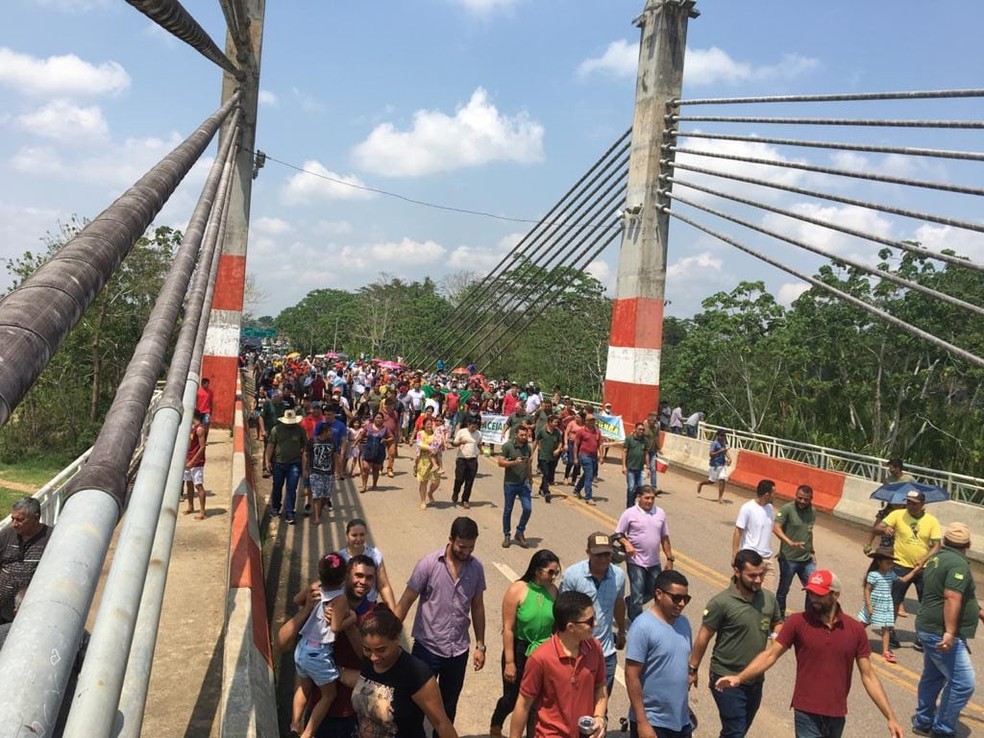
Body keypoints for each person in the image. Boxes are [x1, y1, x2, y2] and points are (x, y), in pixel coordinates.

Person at [715, 570, 905, 738]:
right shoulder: (798, 622)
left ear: (835, 594)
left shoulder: (855, 630)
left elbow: (869, 676)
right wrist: (740, 678)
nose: (813, 598)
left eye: (819, 594)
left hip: (837, 713)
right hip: (806, 711)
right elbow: (771, 655)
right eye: (810, 592)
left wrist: (891, 717)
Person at [395, 517, 487, 732]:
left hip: (458, 652)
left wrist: (480, 645)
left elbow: (478, 607)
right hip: (427, 649)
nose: (465, 552)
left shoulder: (476, 568)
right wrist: (388, 637)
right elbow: (407, 600)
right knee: (413, 706)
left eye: (471, 547)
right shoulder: (428, 564)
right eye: (461, 546)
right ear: (450, 539)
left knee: (448, 708)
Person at [689, 549, 781, 738]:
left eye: (760, 575)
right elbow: (704, 636)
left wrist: (776, 635)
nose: (758, 580)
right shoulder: (721, 603)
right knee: (735, 731)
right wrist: (692, 669)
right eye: (752, 575)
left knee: (740, 729)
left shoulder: (769, 599)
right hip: (725, 677)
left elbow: (777, 622)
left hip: (755, 679)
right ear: (737, 572)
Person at [339, 607, 459, 738]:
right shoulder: (369, 661)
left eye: (381, 650)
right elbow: (359, 679)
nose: (374, 657)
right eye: (367, 649)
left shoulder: (416, 673)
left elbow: (441, 723)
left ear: (396, 639)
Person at [912, 521, 983, 738]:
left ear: (944, 541)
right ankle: (942, 729)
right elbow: (952, 596)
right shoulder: (958, 565)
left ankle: (923, 721)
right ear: (968, 544)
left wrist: (978, 611)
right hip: (940, 631)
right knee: (963, 682)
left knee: (933, 676)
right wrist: (950, 632)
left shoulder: (937, 558)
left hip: (928, 626)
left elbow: (959, 595)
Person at [509, 591, 608, 738]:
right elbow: (524, 704)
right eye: (589, 621)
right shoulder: (540, 658)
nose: (595, 624)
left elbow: (600, 686)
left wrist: (599, 717)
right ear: (570, 627)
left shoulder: (595, 648)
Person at [489, 550, 561, 738]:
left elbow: (556, 627)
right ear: (538, 570)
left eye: (556, 572)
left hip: (543, 653)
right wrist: (510, 662)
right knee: (512, 699)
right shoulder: (517, 590)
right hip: (519, 649)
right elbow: (508, 628)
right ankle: (497, 722)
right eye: (550, 572)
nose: (554, 577)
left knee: (537, 700)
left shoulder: (553, 592)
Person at [625, 569, 695, 738]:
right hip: (653, 722)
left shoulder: (684, 623)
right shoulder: (643, 627)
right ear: (658, 594)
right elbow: (631, 676)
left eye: (686, 599)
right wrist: (642, 723)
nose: (682, 604)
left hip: (680, 721)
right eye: (676, 598)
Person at [292, 553, 355, 738]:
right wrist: (351, 618)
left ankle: (295, 724)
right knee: (329, 695)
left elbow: (297, 600)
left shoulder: (314, 586)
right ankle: (307, 734)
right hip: (318, 653)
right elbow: (335, 628)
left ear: (320, 573)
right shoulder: (340, 599)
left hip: (302, 648)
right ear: (344, 577)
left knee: (304, 687)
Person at [872, 488, 941, 650]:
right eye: (908, 502)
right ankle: (890, 634)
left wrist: (924, 559)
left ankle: (922, 637)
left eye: (914, 504)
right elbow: (876, 528)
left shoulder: (932, 521)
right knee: (894, 601)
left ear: (923, 505)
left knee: (925, 604)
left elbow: (937, 546)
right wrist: (885, 529)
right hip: (899, 565)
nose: (910, 506)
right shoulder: (897, 515)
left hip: (923, 569)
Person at [559, 532, 627, 695]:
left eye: (607, 554)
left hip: (606, 653)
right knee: (574, 701)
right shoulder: (573, 575)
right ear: (588, 552)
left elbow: (618, 603)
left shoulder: (618, 576)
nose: (603, 559)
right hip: (577, 651)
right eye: (598, 555)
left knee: (601, 703)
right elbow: (563, 610)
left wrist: (622, 631)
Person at [615, 485, 674, 622]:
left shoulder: (660, 513)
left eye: (652, 498)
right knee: (638, 594)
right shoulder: (629, 513)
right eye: (646, 498)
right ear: (639, 497)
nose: (650, 501)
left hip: (654, 562)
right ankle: (636, 623)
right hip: (635, 561)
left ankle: (631, 602)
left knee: (656, 591)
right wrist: (627, 543)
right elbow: (618, 533)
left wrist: (670, 559)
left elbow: (664, 537)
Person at [0, 497, 53, 624]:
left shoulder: (52, 538)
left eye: (20, 520)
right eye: (12, 518)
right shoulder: (6, 535)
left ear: (36, 518)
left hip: (29, 612)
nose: (14, 524)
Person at [858, 546, 912, 664]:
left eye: (891, 563)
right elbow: (867, 590)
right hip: (874, 603)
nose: (890, 565)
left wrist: (916, 570)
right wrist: (869, 605)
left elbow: (902, 580)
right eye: (888, 563)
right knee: (864, 623)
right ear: (879, 562)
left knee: (886, 627)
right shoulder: (873, 575)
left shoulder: (891, 574)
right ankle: (851, 638)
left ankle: (885, 651)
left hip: (886, 603)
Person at [773, 484, 817, 619]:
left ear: (811, 499)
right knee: (783, 590)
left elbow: (809, 533)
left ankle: (809, 618)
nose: (802, 501)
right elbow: (776, 527)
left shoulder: (813, 511)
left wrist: (813, 552)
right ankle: (778, 618)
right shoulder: (787, 509)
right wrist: (789, 542)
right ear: (795, 496)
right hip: (788, 559)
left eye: (806, 499)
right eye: (800, 498)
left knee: (813, 589)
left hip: (806, 560)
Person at [338, 519, 398, 611]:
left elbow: (383, 585)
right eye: (354, 535)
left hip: (369, 606)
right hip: (345, 607)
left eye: (362, 535)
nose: (358, 539)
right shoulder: (339, 558)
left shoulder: (375, 555)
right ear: (347, 535)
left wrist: (394, 614)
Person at [731, 479, 776, 592]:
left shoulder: (770, 508)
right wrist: (735, 555)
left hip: (767, 559)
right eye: (773, 493)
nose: (775, 496)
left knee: (768, 595)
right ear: (766, 495)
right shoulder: (747, 508)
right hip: (751, 559)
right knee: (747, 591)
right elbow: (738, 531)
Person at [266, 408, 308, 524]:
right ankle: (275, 507)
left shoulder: (300, 431)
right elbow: (270, 446)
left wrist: (304, 466)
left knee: (291, 488)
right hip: (279, 463)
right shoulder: (276, 430)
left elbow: (305, 447)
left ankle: (289, 512)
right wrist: (267, 461)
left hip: (294, 464)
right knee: (277, 487)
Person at [499, 425, 533, 549]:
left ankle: (520, 532)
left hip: (523, 484)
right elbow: (500, 462)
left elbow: (529, 464)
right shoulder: (508, 446)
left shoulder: (528, 448)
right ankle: (507, 535)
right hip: (510, 483)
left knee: (528, 509)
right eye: (522, 435)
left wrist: (530, 478)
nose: (524, 437)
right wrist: (513, 462)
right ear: (516, 435)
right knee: (508, 510)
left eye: (526, 435)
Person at [451, 416, 483, 509]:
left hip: (473, 459)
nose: (474, 429)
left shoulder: (479, 434)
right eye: (472, 426)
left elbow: (479, 444)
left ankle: (465, 499)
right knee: (459, 479)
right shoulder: (462, 432)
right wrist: (461, 442)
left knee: (469, 481)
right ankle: (456, 492)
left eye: (475, 427)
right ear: (468, 425)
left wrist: (482, 450)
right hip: (462, 459)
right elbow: (454, 443)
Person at [573, 414, 604, 506]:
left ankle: (577, 489)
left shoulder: (597, 432)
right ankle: (588, 497)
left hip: (593, 456)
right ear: (586, 421)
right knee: (589, 476)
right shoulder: (581, 431)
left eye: (593, 420)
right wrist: (575, 458)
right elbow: (576, 444)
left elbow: (600, 444)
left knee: (587, 475)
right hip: (584, 456)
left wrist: (601, 456)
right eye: (590, 420)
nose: (592, 422)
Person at [358, 412, 392, 494]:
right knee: (365, 468)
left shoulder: (385, 429)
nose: (378, 419)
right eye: (377, 417)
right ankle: (364, 486)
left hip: (379, 452)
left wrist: (386, 440)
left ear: (383, 420)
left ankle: (374, 484)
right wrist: (356, 443)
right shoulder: (368, 426)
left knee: (376, 469)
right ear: (374, 418)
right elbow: (361, 435)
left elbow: (392, 437)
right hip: (368, 450)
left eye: (380, 418)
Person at [182, 409, 207, 520]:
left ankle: (202, 511)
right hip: (188, 459)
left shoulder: (200, 429)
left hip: (196, 462)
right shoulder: (192, 428)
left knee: (198, 485)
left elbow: (202, 447)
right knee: (189, 483)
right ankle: (190, 506)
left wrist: (193, 461)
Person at [415, 416, 443, 510]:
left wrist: (436, 449)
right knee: (423, 481)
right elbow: (419, 444)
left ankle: (430, 493)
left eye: (431, 424)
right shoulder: (420, 433)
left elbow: (440, 443)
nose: (429, 426)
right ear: (424, 425)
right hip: (424, 460)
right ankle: (423, 501)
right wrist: (431, 448)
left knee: (436, 481)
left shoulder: (436, 434)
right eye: (428, 424)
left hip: (435, 459)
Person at [534, 414, 563, 502]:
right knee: (545, 473)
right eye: (554, 422)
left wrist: (558, 449)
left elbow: (560, 442)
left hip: (553, 457)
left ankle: (541, 488)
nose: (556, 424)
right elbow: (536, 441)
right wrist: (532, 453)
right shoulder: (542, 431)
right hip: (543, 456)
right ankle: (546, 491)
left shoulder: (557, 432)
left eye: (557, 423)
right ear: (549, 423)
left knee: (550, 475)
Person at [696, 429, 729, 503]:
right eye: (722, 436)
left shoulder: (723, 443)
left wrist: (729, 458)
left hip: (722, 464)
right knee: (711, 481)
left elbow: (725, 451)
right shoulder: (714, 444)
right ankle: (701, 483)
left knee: (722, 479)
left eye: (724, 436)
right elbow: (711, 454)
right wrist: (720, 451)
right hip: (714, 465)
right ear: (718, 436)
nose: (723, 437)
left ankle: (720, 497)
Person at [623, 422, 649, 508]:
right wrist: (623, 466)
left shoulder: (645, 440)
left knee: (640, 488)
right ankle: (630, 505)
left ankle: (632, 500)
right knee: (631, 487)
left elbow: (646, 454)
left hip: (640, 469)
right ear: (635, 430)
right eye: (640, 429)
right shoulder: (629, 439)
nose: (641, 431)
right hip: (630, 468)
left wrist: (648, 467)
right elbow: (624, 452)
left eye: (643, 429)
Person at [644, 413, 662, 488]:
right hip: (644, 450)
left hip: (652, 449)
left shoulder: (656, 427)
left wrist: (659, 448)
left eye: (656, 421)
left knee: (653, 468)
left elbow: (657, 437)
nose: (655, 423)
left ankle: (653, 486)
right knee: (641, 468)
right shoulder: (644, 426)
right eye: (654, 421)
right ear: (649, 420)